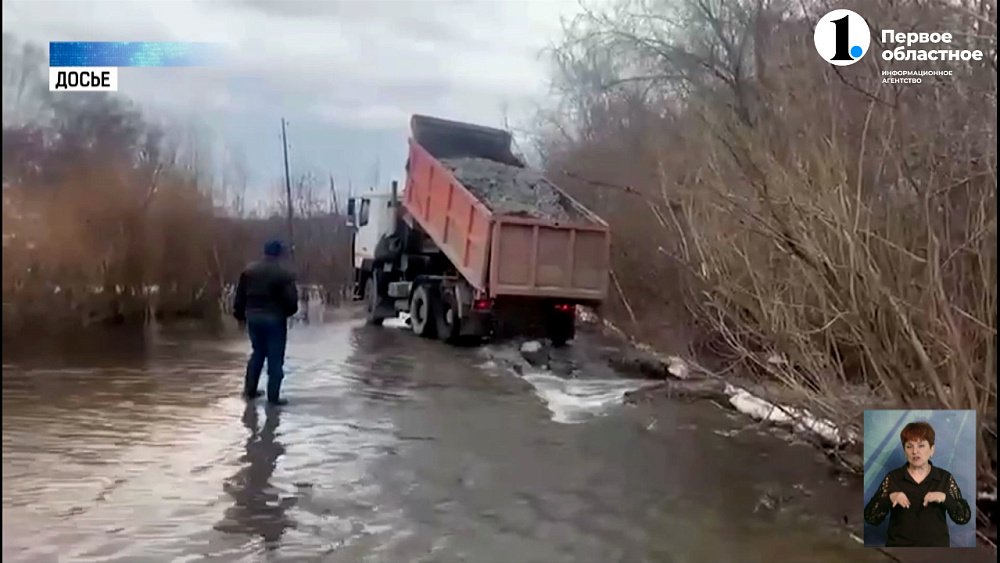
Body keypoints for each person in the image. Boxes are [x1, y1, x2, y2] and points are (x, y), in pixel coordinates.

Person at [863, 420, 972, 547]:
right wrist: (890, 498)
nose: (915, 451)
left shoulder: (944, 478)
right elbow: (870, 517)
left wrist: (945, 498)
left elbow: (963, 518)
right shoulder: (893, 478)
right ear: (904, 451)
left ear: (932, 450)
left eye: (921, 446)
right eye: (909, 446)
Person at [232, 240, 298, 405]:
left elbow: (240, 296)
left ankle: (250, 391)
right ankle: (273, 398)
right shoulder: (284, 274)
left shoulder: (249, 271)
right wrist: (285, 314)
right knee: (275, 358)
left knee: (258, 353)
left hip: (253, 318)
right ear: (279, 253)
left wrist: (240, 316)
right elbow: (292, 302)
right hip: (275, 319)